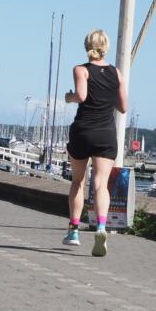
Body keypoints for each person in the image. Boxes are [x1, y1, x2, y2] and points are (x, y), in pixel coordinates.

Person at [63, 29, 128, 257]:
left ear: (86, 46)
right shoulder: (117, 73)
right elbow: (123, 107)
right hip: (105, 134)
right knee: (101, 184)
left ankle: (73, 231)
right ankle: (101, 226)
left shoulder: (81, 70)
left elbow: (81, 96)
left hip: (83, 131)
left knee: (78, 182)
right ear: (106, 47)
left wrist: (68, 97)